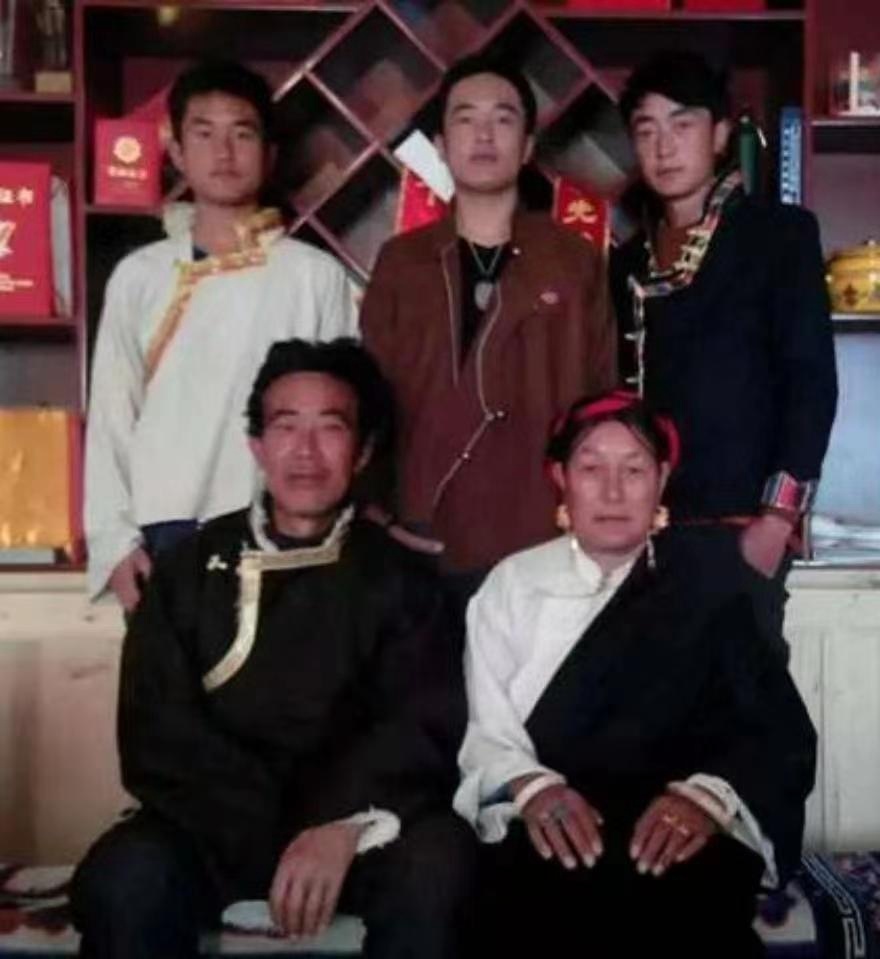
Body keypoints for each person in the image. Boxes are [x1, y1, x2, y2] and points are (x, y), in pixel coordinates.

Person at [71, 338, 473, 959]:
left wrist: (339, 827)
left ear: (363, 450)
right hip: (215, 825)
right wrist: (273, 827)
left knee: (441, 867)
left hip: (350, 832)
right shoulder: (186, 570)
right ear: (257, 445)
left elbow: (419, 724)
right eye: (286, 427)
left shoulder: (403, 580)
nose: (306, 452)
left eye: (330, 428)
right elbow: (156, 728)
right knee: (124, 878)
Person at [455, 390, 816, 959]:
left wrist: (706, 799)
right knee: (527, 901)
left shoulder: (711, 588)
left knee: (689, 902)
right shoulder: (512, 586)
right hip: (550, 822)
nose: (613, 491)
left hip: (679, 826)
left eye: (634, 469)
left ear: (662, 479)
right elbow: (488, 729)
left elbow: (772, 729)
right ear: (560, 477)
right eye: (591, 468)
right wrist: (534, 788)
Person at [85, 60, 358, 611]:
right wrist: (114, 542)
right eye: (204, 134)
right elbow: (112, 415)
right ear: (177, 152)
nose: (224, 152)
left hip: (285, 524)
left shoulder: (314, 275)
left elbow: (345, 414)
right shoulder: (141, 275)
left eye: (242, 133)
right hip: (164, 529)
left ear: (270, 154)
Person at [361, 53, 616, 605]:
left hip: (543, 536)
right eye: (466, 119)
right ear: (441, 143)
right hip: (423, 536)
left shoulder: (573, 261)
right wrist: (379, 515)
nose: (483, 135)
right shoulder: (402, 262)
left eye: (502, 119)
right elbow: (367, 399)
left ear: (527, 147)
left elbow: (602, 400)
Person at [610, 51, 837, 654]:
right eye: (646, 130)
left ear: (718, 135)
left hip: (744, 526)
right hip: (645, 533)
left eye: (681, 125)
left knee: (745, 700)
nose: (663, 147)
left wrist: (776, 522)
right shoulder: (626, 261)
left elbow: (811, 383)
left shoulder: (778, 236)